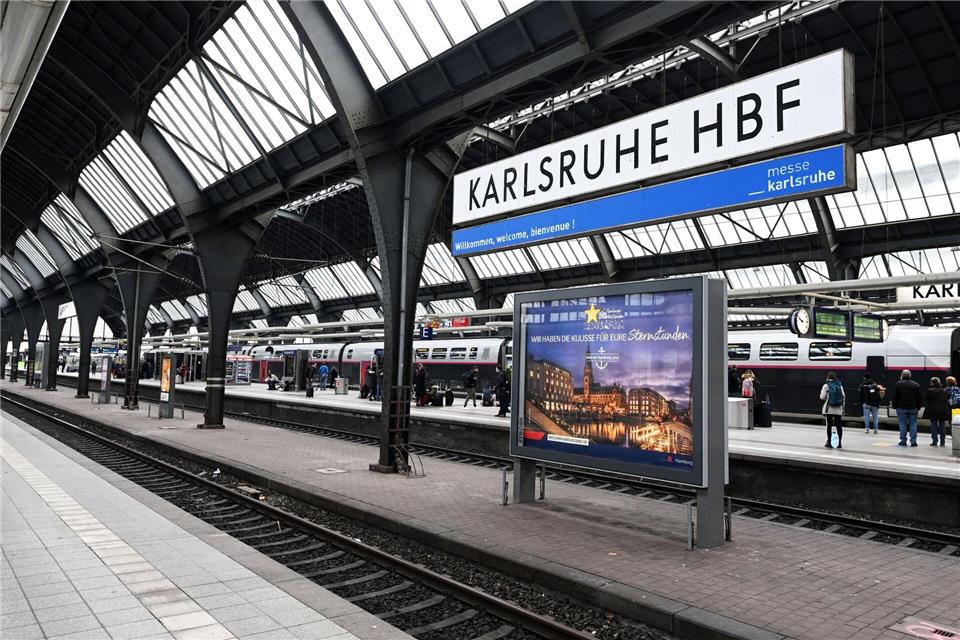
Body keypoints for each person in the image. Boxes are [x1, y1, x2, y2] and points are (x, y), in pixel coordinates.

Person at [890, 369, 922, 447]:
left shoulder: (898, 384)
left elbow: (895, 397)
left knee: (902, 424)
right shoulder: (916, 385)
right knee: (913, 424)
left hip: (901, 407)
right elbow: (919, 397)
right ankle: (913, 441)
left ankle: (903, 441)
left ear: (902, 375)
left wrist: (894, 406)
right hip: (913, 408)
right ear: (910, 375)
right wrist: (918, 406)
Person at [820, 371, 845, 448]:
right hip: (838, 408)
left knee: (829, 426)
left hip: (829, 409)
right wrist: (842, 407)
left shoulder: (826, 385)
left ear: (828, 377)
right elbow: (843, 396)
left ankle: (830, 443)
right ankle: (839, 443)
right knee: (839, 426)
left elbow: (822, 397)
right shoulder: (839, 385)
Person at [924, 377, 950, 447]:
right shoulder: (943, 390)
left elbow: (926, 399)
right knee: (942, 425)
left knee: (933, 425)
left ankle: (934, 441)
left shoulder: (930, 390)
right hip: (942, 410)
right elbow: (947, 398)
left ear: (932, 382)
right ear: (939, 382)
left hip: (933, 410)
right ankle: (942, 442)